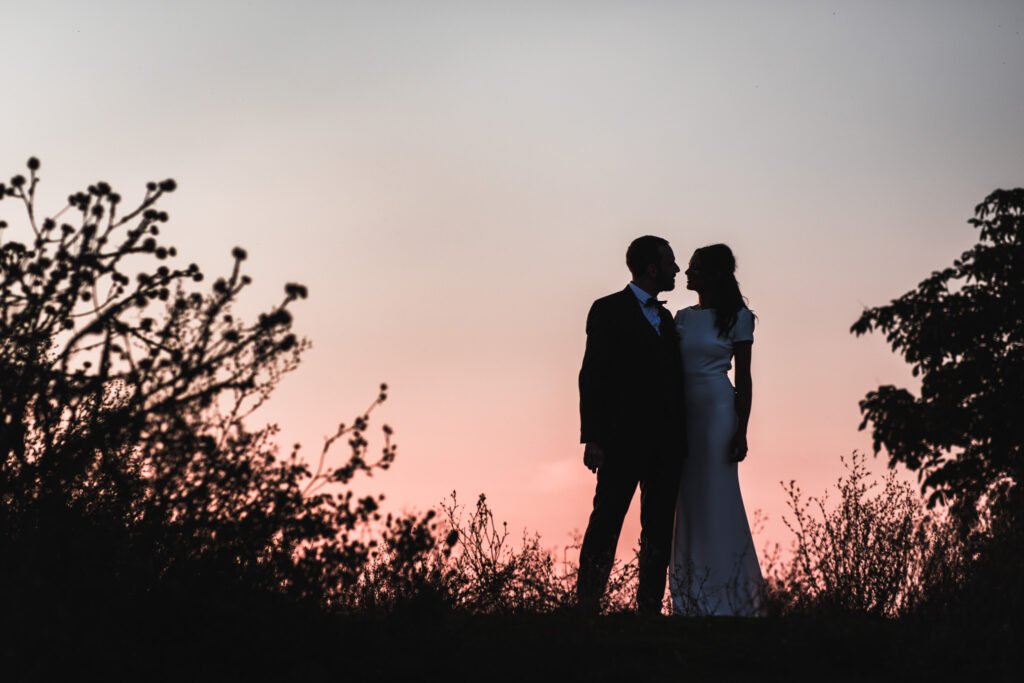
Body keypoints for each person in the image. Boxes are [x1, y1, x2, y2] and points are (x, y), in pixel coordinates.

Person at [577, 235, 687, 615]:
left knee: (658, 528)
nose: (676, 269)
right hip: (620, 440)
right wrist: (593, 438)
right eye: (670, 262)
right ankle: (587, 604)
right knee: (606, 521)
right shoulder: (607, 310)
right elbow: (592, 376)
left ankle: (649, 608)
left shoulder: (667, 319)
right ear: (652, 268)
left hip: (665, 444)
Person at [669, 243, 764, 616]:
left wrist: (741, 431)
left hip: (717, 413)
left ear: (713, 273)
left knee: (716, 494)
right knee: (688, 500)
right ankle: (690, 595)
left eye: (694, 267)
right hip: (682, 414)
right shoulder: (680, 317)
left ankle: (731, 596)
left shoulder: (738, 317)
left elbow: (745, 379)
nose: (687, 273)